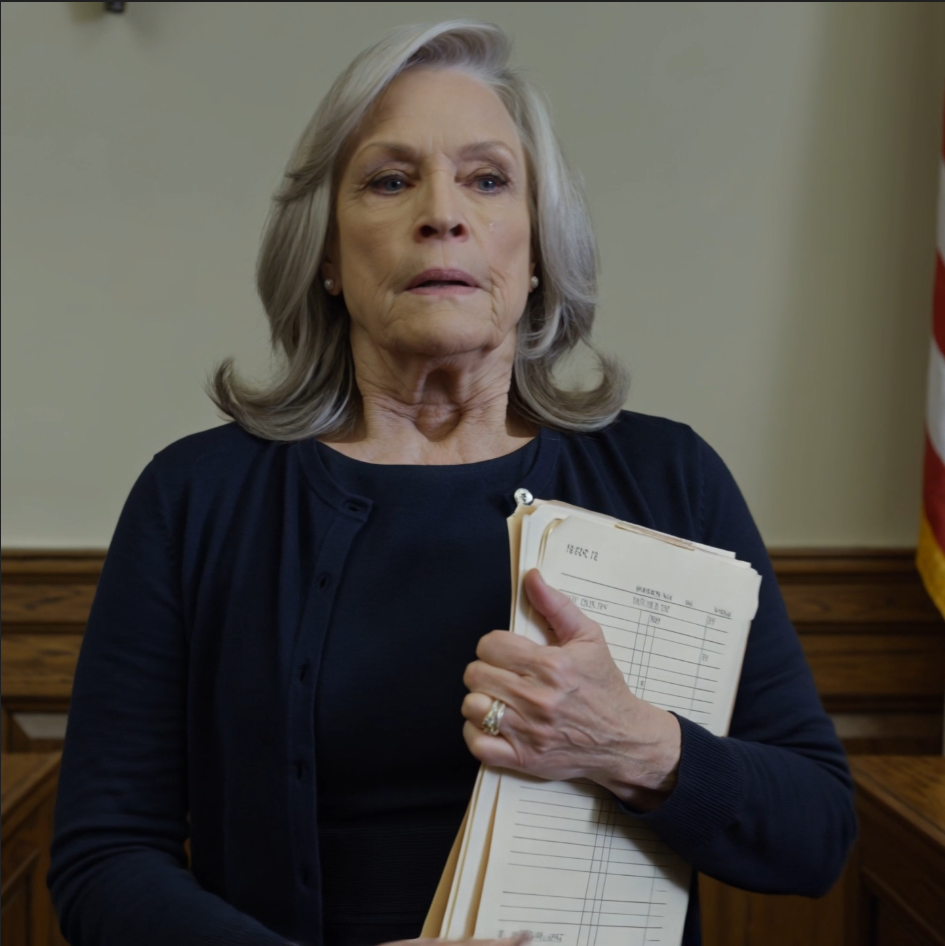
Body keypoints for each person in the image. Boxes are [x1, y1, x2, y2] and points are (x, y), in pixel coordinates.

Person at [48, 20, 856, 946]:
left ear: (538, 248)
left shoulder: (670, 478)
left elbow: (815, 836)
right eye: (390, 181)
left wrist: (631, 742)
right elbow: (103, 861)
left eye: (487, 179)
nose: (442, 213)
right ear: (325, 254)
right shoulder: (195, 498)